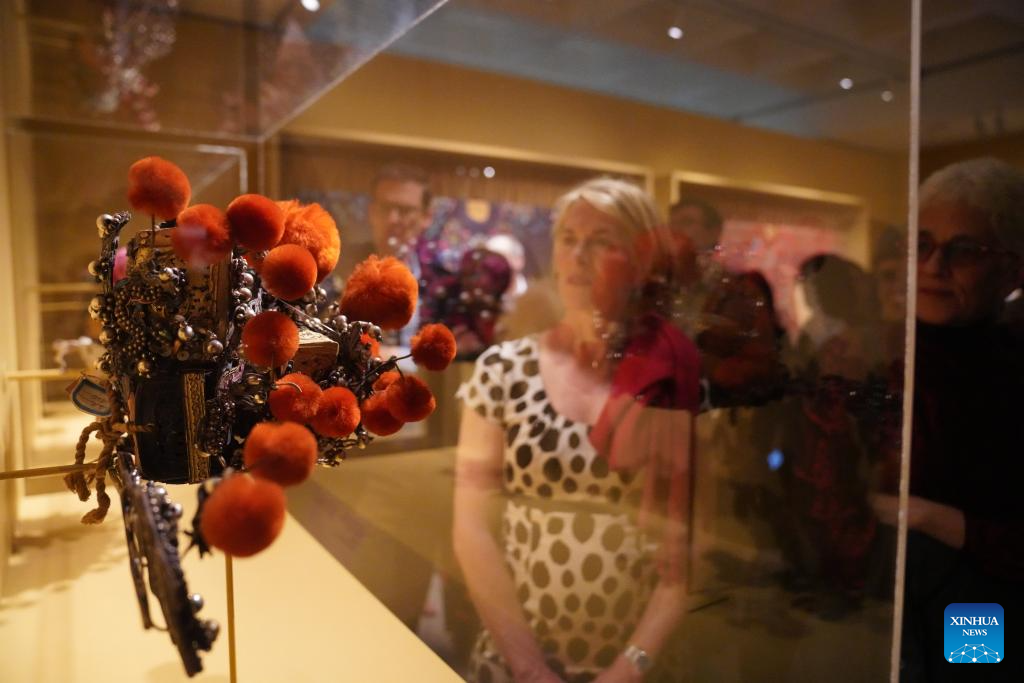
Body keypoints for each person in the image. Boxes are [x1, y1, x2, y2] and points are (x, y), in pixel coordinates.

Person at [453, 178, 696, 683]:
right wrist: (529, 667)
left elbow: (684, 558)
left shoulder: (671, 379)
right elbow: (471, 528)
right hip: (515, 662)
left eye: (602, 241)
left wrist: (627, 671)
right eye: (569, 238)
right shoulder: (503, 370)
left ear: (642, 261)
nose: (579, 255)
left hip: (637, 668)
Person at [871, 157, 1024, 682]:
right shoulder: (881, 356)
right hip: (881, 605)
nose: (934, 266)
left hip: (978, 600)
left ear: (1011, 270)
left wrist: (931, 518)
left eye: (963, 251)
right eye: (922, 245)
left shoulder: (1011, 369)